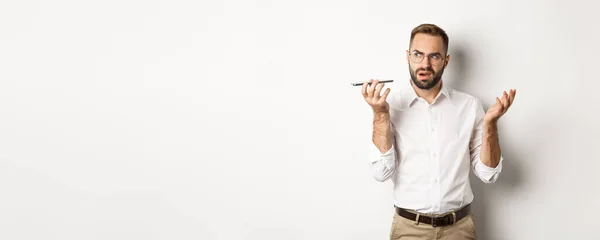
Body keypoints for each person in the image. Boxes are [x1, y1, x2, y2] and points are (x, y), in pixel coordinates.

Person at [361, 23, 516, 240]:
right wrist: (380, 115)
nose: (425, 64)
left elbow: (488, 174)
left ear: (446, 60)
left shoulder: (469, 106)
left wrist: (490, 125)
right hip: (409, 230)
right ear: (407, 56)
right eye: (418, 54)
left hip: (458, 229)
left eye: (434, 56)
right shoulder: (390, 106)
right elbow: (381, 173)